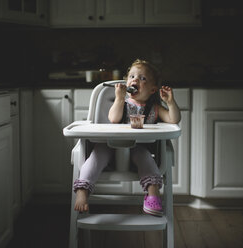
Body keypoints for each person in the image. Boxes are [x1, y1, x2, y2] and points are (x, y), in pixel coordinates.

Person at [73, 59, 181, 216]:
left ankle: (153, 193)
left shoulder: (155, 108)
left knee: (146, 158)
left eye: (142, 78)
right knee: (96, 156)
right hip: (110, 146)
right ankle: (82, 191)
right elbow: (114, 118)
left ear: (152, 89)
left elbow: (173, 119)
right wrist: (118, 98)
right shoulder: (122, 103)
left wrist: (170, 103)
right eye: (132, 76)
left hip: (138, 148)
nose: (135, 80)